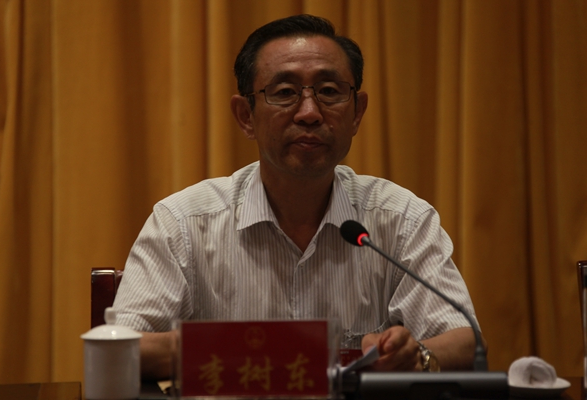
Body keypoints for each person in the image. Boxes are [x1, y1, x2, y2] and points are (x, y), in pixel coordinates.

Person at [113, 14, 485, 380]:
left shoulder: (401, 218)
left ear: (357, 113)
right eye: (285, 93)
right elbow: (119, 347)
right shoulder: (183, 223)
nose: (309, 113)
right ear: (245, 116)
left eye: (329, 91)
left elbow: (464, 339)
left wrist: (416, 355)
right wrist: (232, 347)